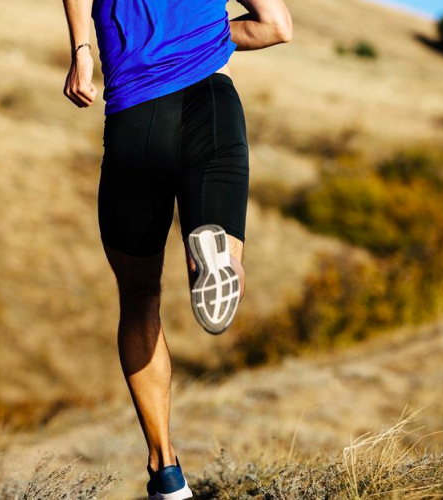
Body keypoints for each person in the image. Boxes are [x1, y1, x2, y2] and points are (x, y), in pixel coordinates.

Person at [60, 0, 292, 497]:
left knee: (139, 297)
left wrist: (82, 50)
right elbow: (276, 26)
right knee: (223, 254)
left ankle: (165, 468)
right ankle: (211, 258)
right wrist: (209, 36)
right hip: (212, 105)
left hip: (138, 115)